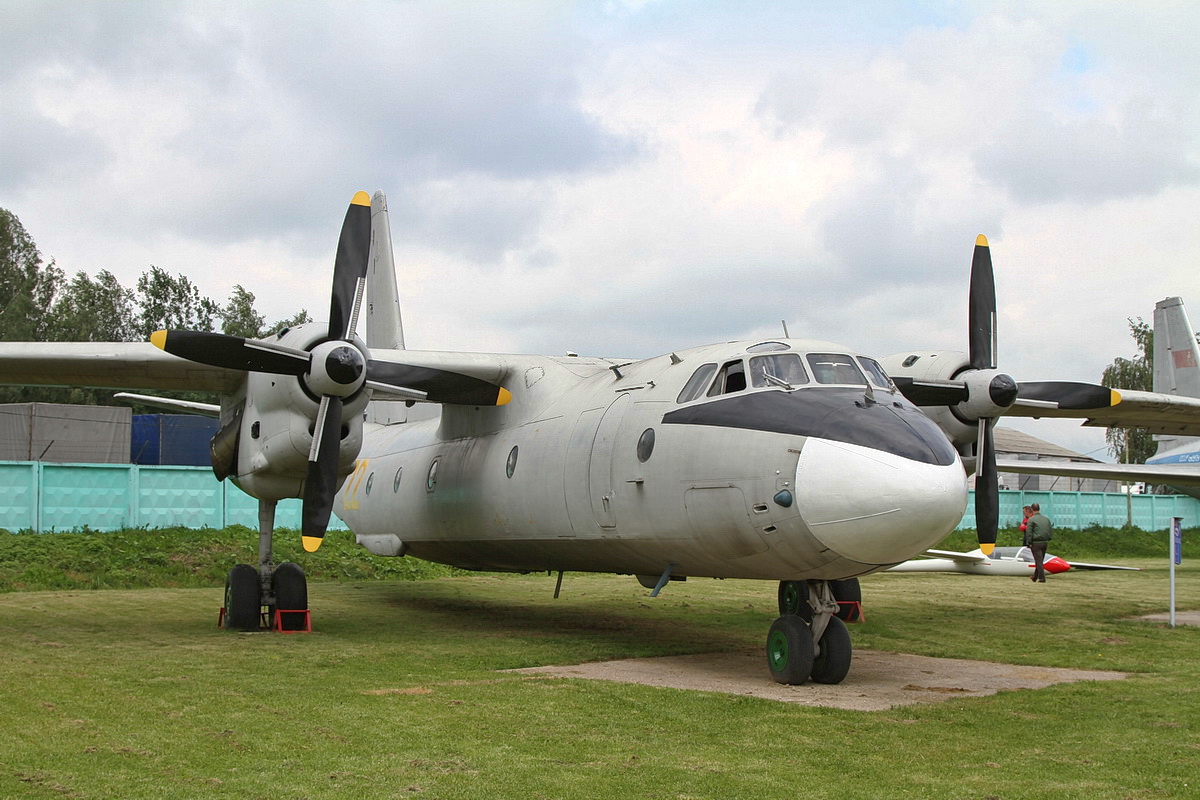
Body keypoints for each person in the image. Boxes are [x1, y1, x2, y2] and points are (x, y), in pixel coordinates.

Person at [1024, 503, 1053, 583]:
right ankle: (1035, 577)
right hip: (1045, 542)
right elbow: (1050, 529)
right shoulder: (1046, 519)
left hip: (1036, 542)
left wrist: (1029, 542)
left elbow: (1029, 532)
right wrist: (1049, 538)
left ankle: (1042, 578)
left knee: (1038, 561)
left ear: (1032, 509)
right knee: (1040, 560)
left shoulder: (1032, 519)